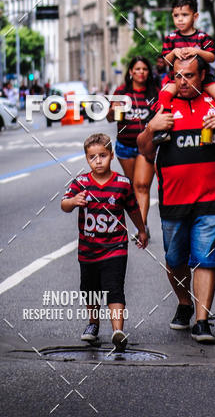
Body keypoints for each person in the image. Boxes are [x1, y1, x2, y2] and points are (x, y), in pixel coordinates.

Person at [137, 54, 215, 345]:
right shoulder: (164, 105)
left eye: (189, 76)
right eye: (178, 77)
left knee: (205, 258)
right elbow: (144, 149)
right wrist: (152, 126)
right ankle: (185, 302)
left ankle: (201, 321)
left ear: (203, 77)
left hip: (209, 198)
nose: (183, 82)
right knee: (175, 260)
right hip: (173, 199)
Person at [61, 133, 148, 352]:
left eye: (103, 155)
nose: (98, 161)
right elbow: (64, 204)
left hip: (115, 247)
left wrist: (141, 229)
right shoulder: (80, 183)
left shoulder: (122, 184)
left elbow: (133, 209)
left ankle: (118, 330)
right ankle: (93, 323)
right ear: (86, 159)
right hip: (88, 250)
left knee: (114, 288)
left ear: (111, 155)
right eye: (92, 157)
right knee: (89, 288)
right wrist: (73, 201)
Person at [107, 58, 159, 226]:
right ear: (130, 72)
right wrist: (113, 110)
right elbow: (109, 118)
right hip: (125, 147)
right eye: (137, 69)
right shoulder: (121, 92)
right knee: (133, 187)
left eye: (144, 69)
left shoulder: (154, 92)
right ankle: (140, 222)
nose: (141, 72)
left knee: (142, 186)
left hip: (146, 147)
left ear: (149, 72)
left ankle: (141, 227)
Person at [158, 0, 215, 114]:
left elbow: (211, 57)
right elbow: (165, 61)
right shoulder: (170, 38)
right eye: (176, 15)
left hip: (203, 79)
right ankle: (164, 123)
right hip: (177, 80)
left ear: (195, 16)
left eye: (185, 15)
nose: (180, 19)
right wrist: (174, 52)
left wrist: (197, 51)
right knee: (164, 94)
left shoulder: (203, 37)